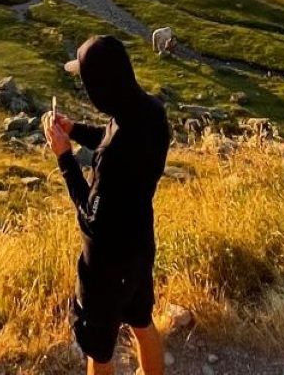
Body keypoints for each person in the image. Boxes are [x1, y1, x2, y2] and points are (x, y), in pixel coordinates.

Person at [44, 33, 171, 375]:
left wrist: (64, 157)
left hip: (107, 266)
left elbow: (91, 217)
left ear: (98, 89)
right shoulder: (150, 111)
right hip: (140, 246)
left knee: (99, 350)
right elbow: (111, 136)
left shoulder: (114, 156)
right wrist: (74, 130)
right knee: (142, 322)